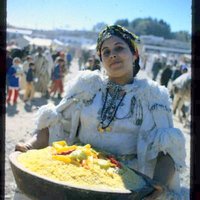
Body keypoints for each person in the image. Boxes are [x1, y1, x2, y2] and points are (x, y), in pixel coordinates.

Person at [15, 25, 186, 199]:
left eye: (119, 48)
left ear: (134, 54)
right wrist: (30, 145)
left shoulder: (154, 95)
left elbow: (167, 148)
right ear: (101, 60)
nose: (112, 54)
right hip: (77, 171)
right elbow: (54, 122)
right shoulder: (86, 86)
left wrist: (159, 184)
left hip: (124, 184)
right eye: (106, 52)